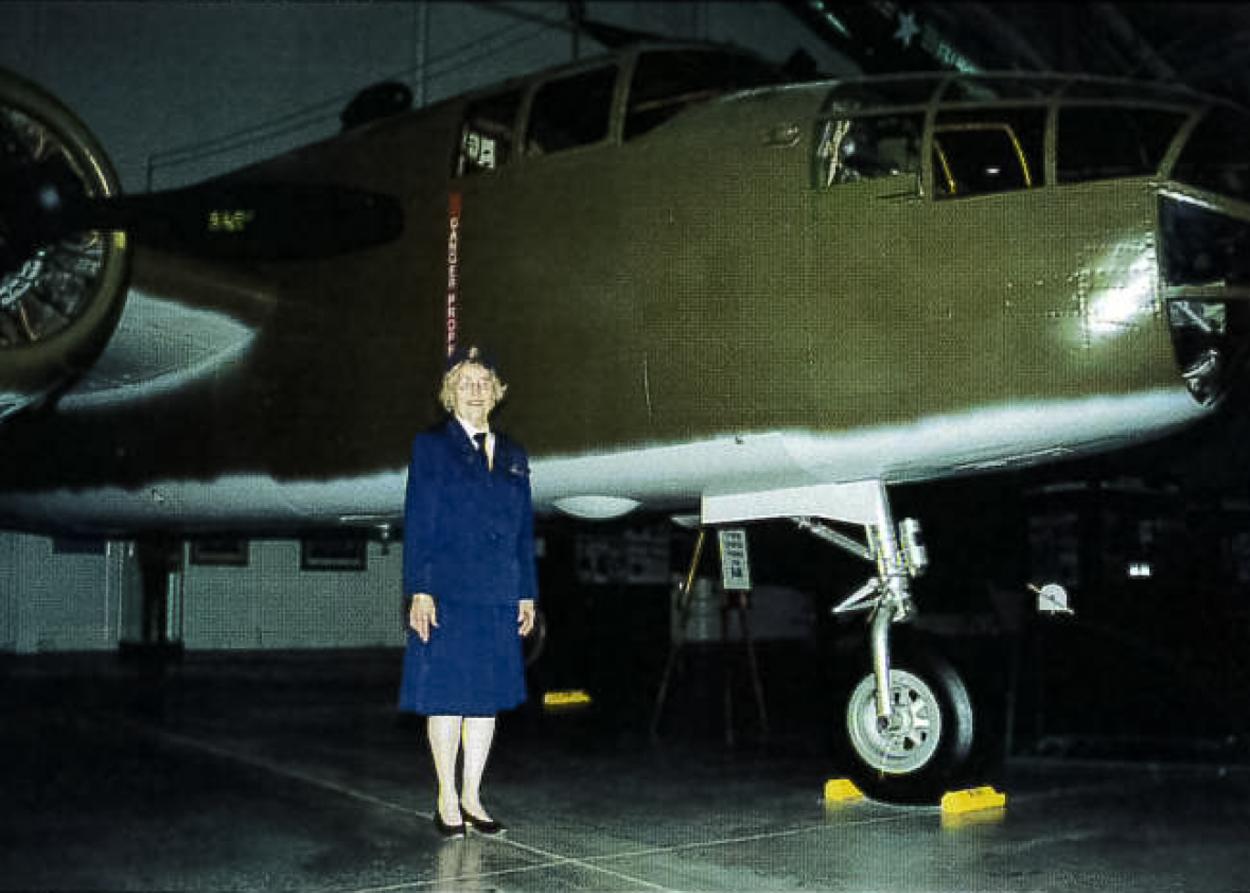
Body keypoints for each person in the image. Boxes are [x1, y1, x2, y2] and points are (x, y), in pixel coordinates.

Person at [398, 346, 538, 839]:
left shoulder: (515, 454)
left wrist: (526, 592)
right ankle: (446, 797)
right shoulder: (431, 446)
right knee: (447, 697)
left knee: (485, 700)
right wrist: (419, 588)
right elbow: (420, 521)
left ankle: (474, 796)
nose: (476, 390)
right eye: (466, 383)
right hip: (448, 590)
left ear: (497, 392)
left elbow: (523, 529)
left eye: (484, 382)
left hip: (499, 591)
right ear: (450, 393)